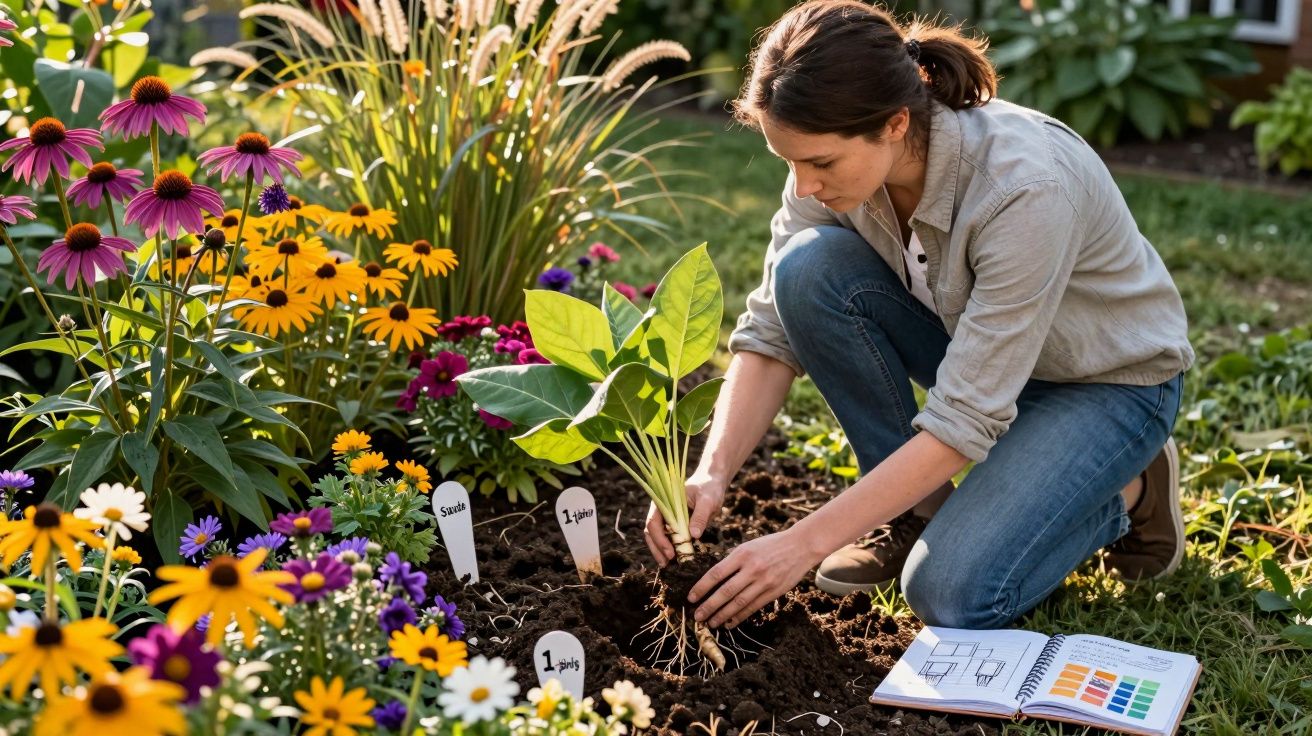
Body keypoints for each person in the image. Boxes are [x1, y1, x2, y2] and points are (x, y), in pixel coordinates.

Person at [642, 0, 1195, 632]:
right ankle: (915, 512)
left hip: (1101, 385)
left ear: (896, 122)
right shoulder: (835, 166)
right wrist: (711, 475)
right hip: (979, 360)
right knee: (806, 268)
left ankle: (1129, 487)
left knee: (951, 595)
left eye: (819, 163)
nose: (801, 186)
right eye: (788, 162)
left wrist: (799, 545)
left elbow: (964, 417)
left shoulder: (1023, 189)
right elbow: (771, 331)